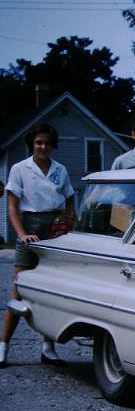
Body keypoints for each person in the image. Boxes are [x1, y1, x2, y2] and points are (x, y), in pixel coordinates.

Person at [1, 123, 75, 368]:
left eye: (47, 143)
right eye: (38, 143)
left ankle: (48, 348)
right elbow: (12, 206)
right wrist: (22, 234)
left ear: (53, 145)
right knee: (19, 289)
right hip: (30, 226)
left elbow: (69, 202)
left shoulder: (60, 169)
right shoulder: (20, 169)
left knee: (50, 290)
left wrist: (66, 225)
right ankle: (3, 348)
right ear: (32, 145)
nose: (43, 147)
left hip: (55, 228)